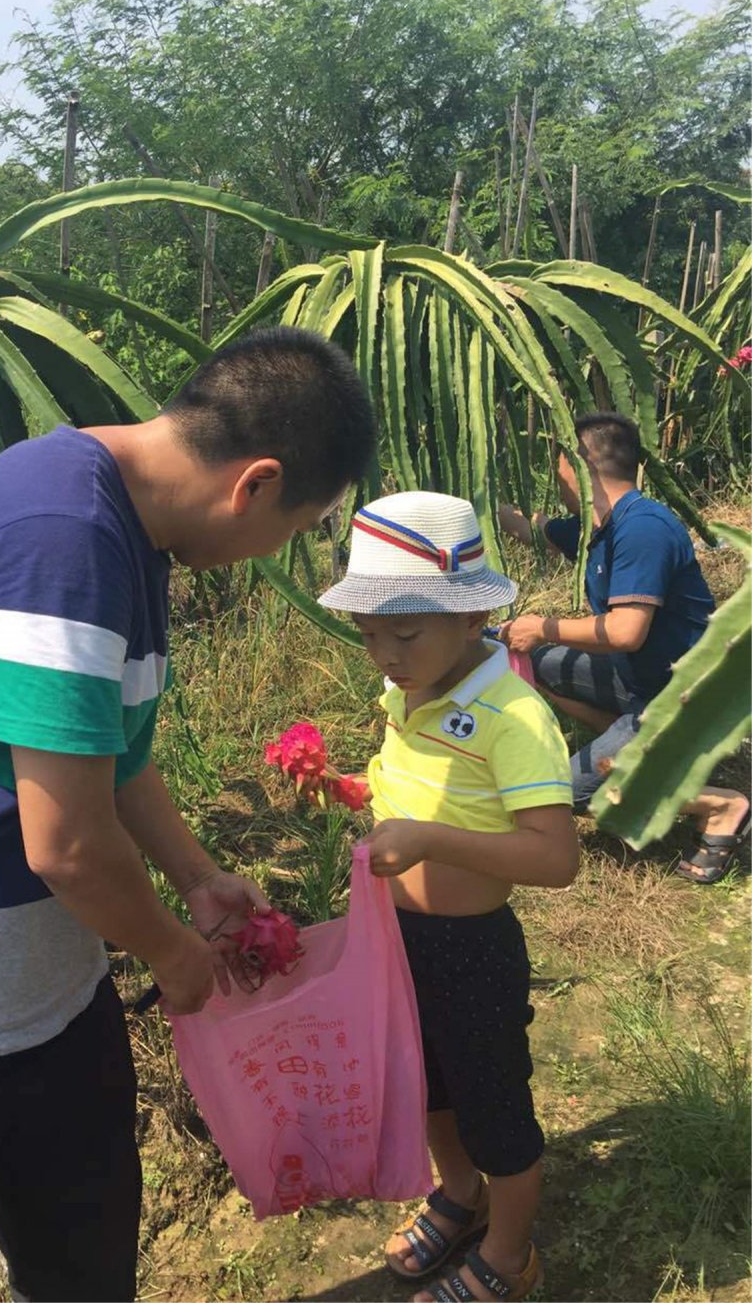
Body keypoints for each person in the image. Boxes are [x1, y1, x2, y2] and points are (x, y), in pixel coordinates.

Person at [0, 327, 376, 1303]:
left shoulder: (127, 528)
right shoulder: (59, 535)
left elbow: (109, 757)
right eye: (298, 527)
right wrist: (177, 955)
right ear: (253, 483)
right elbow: (71, 847)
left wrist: (196, 876)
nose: (279, 549)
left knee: (83, 1276)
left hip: (39, 994)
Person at [316, 491, 580, 1303]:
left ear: (471, 620)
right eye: (369, 637)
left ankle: (508, 1250)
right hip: (405, 942)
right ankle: (459, 1192)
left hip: (474, 949)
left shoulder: (514, 716)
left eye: (403, 633)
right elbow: (415, 786)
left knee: (495, 1101)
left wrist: (430, 840)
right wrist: (353, 788)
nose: (385, 655)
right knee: (426, 1082)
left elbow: (556, 856)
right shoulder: (408, 692)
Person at [498, 412, 749, 883]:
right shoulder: (601, 528)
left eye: (560, 466)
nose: (557, 479)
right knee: (528, 659)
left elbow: (625, 631)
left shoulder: (643, 529)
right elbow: (536, 529)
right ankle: (628, 742)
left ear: (579, 466)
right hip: (638, 679)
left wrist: (543, 626)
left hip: (683, 700)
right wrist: (487, 506)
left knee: (560, 794)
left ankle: (720, 805)